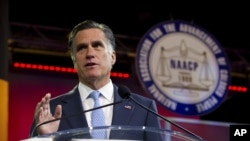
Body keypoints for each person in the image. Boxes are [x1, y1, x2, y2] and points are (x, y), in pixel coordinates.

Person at [29, 20, 162, 140]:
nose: (90, 54)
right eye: (81, 48)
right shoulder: (50, 110)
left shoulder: (143, 109)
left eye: (97, 45)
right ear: (74, 61)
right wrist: (45, 138)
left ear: (113, 57)